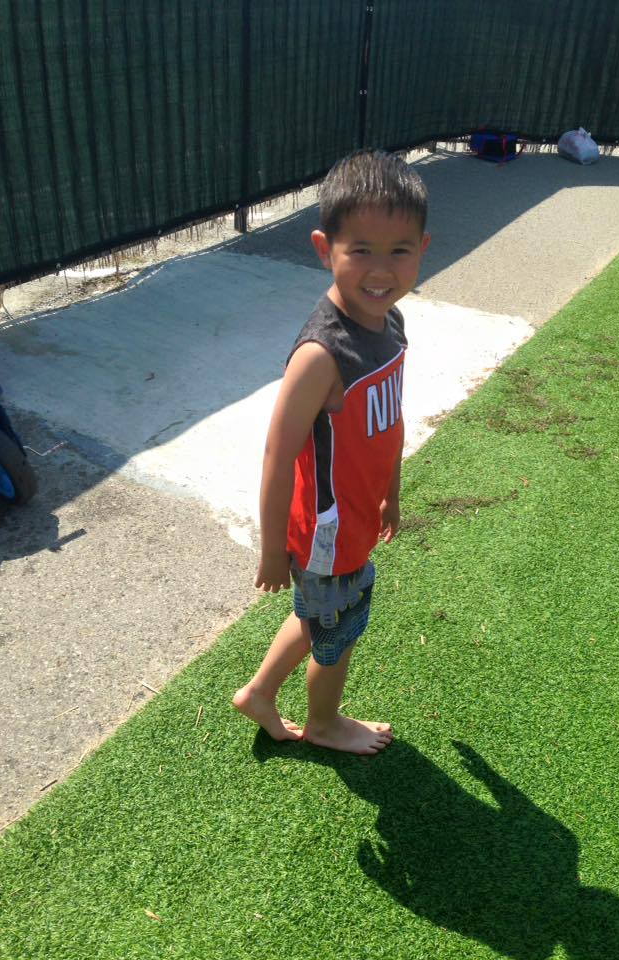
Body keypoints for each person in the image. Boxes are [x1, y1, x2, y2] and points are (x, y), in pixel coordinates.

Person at [233, 149, 430, 755]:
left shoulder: (390, 323)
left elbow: (390, 421)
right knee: (337, 632)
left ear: (423, 249)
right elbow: (276, 456)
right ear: (326, 249)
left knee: (321, 612)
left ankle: (259, 692)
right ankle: (323, 723)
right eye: (361, 250)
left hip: (359, 516)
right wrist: (272, 550)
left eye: (399, 250)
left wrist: (391, 495)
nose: (381, 270)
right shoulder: (321, 356)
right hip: (326, 534)